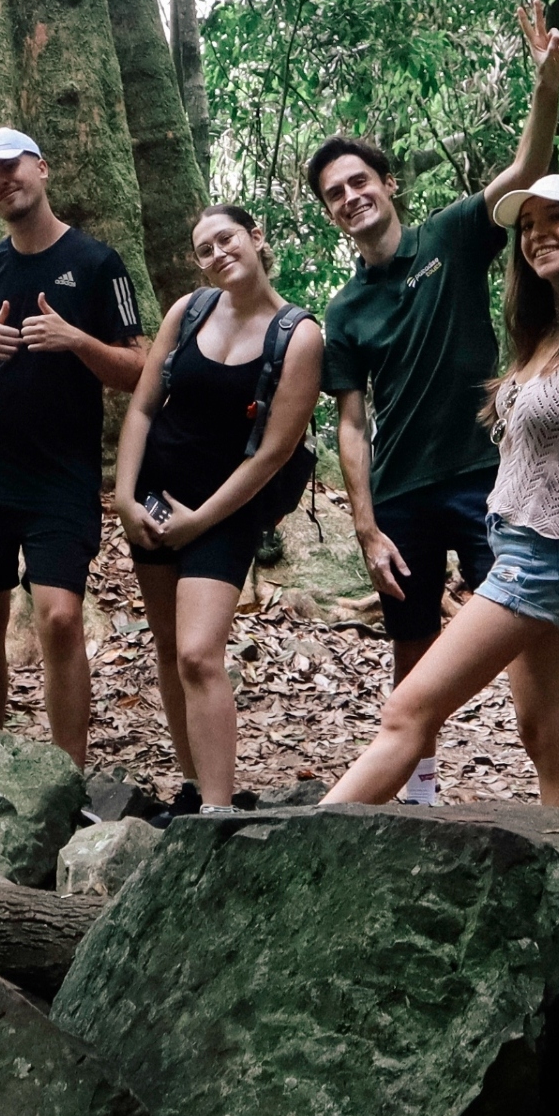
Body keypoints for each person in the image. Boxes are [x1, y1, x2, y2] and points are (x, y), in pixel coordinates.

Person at [325, 172, 559, 809]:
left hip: (541, 562)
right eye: (526, 225)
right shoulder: (551, 331)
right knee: (544, 732)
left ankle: (293, 872)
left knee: (405, 714)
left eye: (556, 219)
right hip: (526, 547)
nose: (537, 235)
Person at [312, 0, 559, 805]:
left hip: (485, 477)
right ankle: (418, 792)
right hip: (401, 491)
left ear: (388, 185)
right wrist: (364, 524)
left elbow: (525, 179)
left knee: (522, 629)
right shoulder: (344, 311)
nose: (352, 197)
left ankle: (551, 779)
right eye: (335, 194)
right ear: (330, 215)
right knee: (412, 644)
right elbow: (352, 423)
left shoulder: (452, 236)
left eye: (360, 181)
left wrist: (544, 87)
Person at [114, 205, 326, 812]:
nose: (217, 254)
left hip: (224, 513)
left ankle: (216, 808)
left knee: (198, 652)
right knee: (167, 645)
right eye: (204, 249)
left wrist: (198, 522)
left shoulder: (299, 335)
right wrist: (127, 498)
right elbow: (143, 407)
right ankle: (191, 786)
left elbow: (274, 453)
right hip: (154, 499)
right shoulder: (189, 311)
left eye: (226, 239)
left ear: (257, 238)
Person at [0, 127, 148, 763]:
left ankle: (67, 772)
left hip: (61, 472)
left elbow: (141, 369)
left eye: (11, 167)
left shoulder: (97, 263)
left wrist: (77, 341)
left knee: (59, 617)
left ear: (42, 168)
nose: (2, 181)